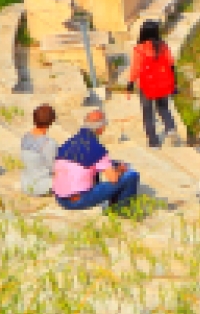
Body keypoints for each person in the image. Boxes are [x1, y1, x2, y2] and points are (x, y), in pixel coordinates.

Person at [52, 108, 140, 213]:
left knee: (97, 167)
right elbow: (114, 178)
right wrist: (120, 170)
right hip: (77, 200)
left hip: (60, 198)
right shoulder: (97, 148)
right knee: (131, 175)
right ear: (100, 128)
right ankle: (121, 211)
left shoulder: (68, 143)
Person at [127, 18, 181, 150]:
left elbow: (136, 68)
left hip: (146, 86)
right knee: (163, 108)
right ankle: (170, 128)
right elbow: (171, 65)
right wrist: (174, 84)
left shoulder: (139, 49)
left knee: (148, 113)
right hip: (163, 83)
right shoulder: (163, 46)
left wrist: (130, 82)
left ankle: (154, 141)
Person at [20, 104, 57, 197]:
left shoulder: (25, 138)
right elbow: (53, 168)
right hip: (42, 187)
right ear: (51, 122)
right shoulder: (49, 143)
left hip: (25, 185)